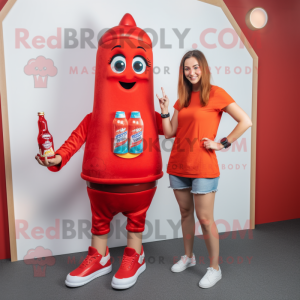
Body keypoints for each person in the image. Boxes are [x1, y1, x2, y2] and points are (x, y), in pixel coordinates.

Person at [156, 50, 252, 288]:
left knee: (206, 219)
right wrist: (166, 109)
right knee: (186, 214)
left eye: (196, 67)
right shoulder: (183, 99)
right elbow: (169, 132)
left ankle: (214, 268)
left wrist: (222, 143)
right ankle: (188, 257)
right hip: (178, 164)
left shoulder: (216, 94)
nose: (192, 72)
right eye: (187, 68)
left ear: (204, 68)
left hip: (203, 166)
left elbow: (246, 121)